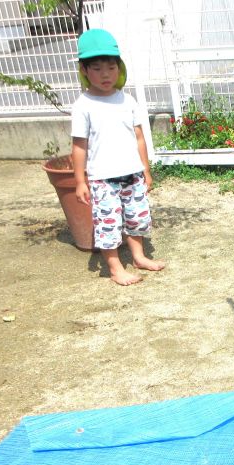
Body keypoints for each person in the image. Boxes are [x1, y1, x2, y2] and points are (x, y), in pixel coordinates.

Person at [71, 29, 164, 286]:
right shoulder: (83, 105)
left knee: (137, 217)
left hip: (132, 174)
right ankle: (114, 268)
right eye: (97, 68)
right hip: (103, 178)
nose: (105, 74)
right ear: (85, 70)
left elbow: (139, 137)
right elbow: (79, 146)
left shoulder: (128, 101)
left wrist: (145, 170)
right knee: (108, 223)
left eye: (111, 68)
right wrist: (80, 181)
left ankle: (139, 256)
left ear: (119, 68)